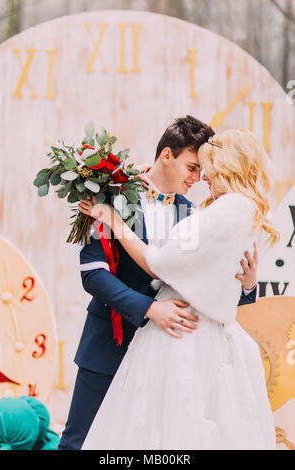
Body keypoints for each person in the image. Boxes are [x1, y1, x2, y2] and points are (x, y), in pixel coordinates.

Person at [59, 117, 258, 450]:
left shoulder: (196, 217)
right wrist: (150, 309)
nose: (198, 179)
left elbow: (204, 290)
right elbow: (93, 274)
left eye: (202, 171)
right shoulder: (111, 198)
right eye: (192, 168)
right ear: (167, 155)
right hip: (108, 345)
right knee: (80, 443)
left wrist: (248, 287)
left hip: (170, 359)